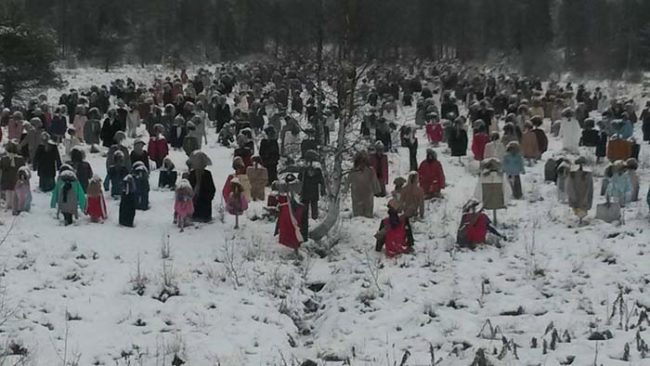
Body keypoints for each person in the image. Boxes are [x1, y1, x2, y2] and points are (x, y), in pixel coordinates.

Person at [275, 176, 304, 251]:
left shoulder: (292, 187)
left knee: (293, 226)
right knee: (291, 226)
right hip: (288, 209)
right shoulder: (289, 187)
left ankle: (293, 243)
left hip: (290, 209)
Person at [349, 151, 380, 218]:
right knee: (363, 213)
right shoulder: (369, 170)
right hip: (363, 194)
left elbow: (348, 182)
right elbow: (375, 182)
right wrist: (377, 190)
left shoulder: (369, 170)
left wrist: (345, 189)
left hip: (361, 194)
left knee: (362, 213)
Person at [187, 151, 216, 223]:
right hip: (195, 206)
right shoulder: (192, 174)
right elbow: (188, 189)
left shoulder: (207, 174)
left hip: (205, 207)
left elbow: (212, 189)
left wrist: (206, 196)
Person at [0, 140, 26, 211]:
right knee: (14, 191)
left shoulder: (4, 158)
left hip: (7, 178)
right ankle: (13, 204)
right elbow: (23, 168)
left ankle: (9, 204)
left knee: (8, 191)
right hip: (15, 178)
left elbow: (1, 167)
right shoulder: (20, 159)